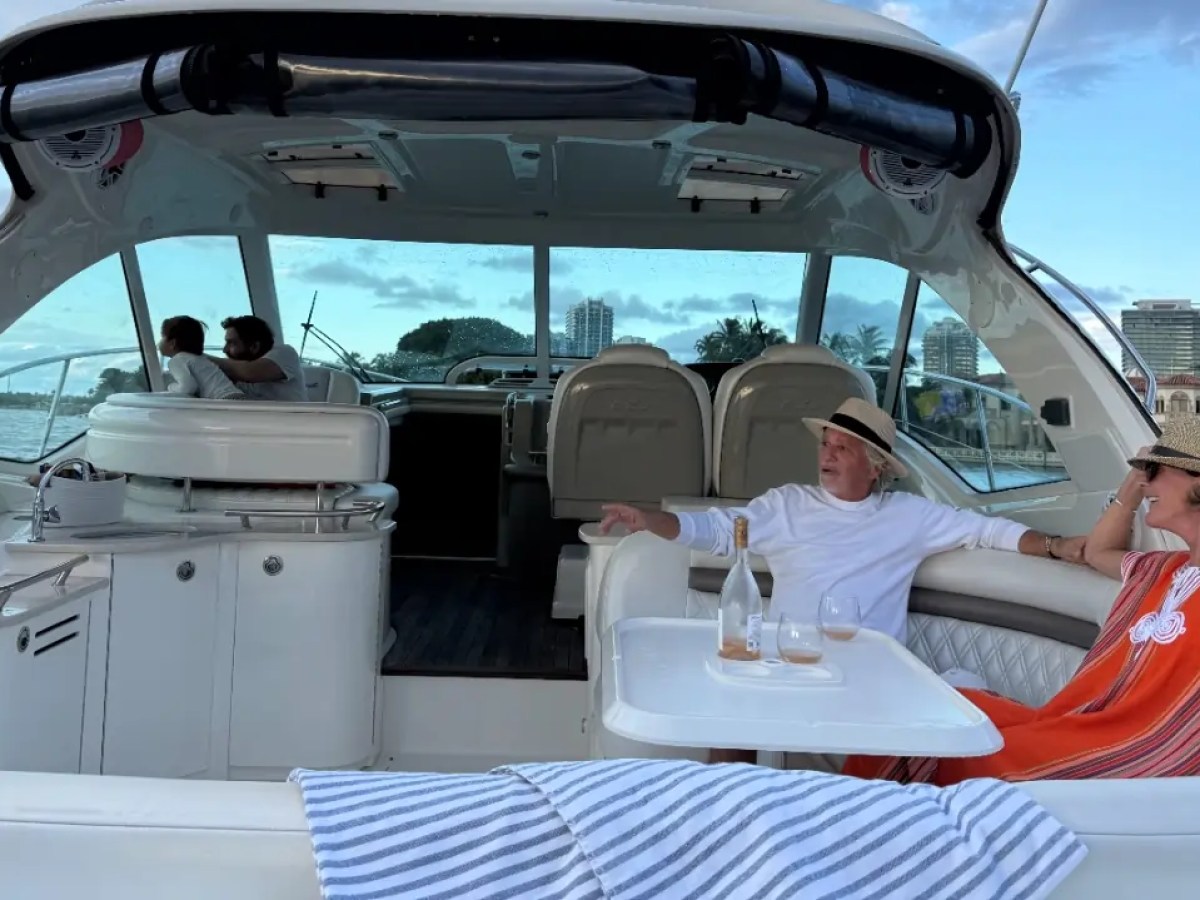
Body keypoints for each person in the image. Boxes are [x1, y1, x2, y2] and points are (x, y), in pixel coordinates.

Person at [844, 417, 1200, 785]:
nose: (1146, 481)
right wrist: (1129, 490)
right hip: (1073, 726)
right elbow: (1098, 550)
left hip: (1124, 757)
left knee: (951, 747)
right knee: (909, 707)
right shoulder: (1159, 570)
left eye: (1154, 470)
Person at [600, 397, 1087, 644]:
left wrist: (1055, 547)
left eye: (842, 448)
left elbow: (987, 530)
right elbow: (720, 531)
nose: (827, 456)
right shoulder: (786, 504)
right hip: (788, 657)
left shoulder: (908, 517)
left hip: (871, 668)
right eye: (824, 445)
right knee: (729, 721)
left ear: (875, 465)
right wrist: (652, 520)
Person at [208, 315, 307, 402]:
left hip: (295, 421)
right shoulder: (236, 370)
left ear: (254, 346)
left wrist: (200, 357)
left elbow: (249, 372)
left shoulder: (285, 353)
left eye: (232, 343)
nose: (225, 350)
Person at [159, 315, 244, 400]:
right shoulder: (200, 358)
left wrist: (171, 387)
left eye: (162, 337)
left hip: (224, 399)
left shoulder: (177, 360)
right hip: (237, 395)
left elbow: (188, 388)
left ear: (172, 343)